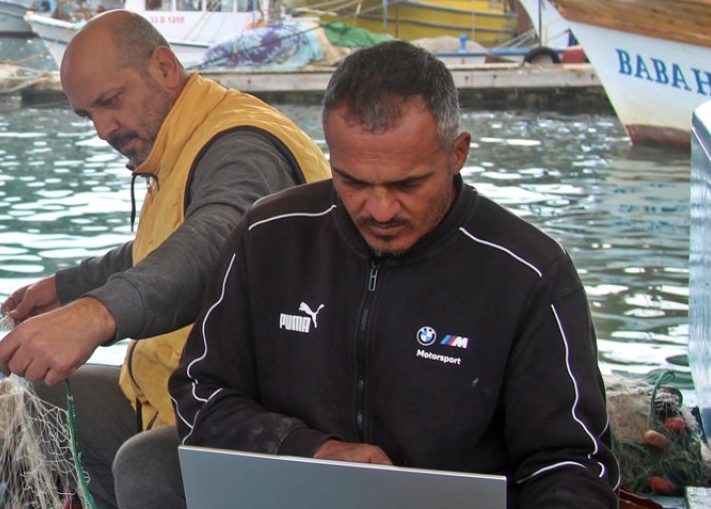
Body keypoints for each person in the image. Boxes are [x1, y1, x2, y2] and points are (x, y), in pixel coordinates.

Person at [156, 41, 619, 508]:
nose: (379, 210)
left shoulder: (531, 273)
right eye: (353, 181)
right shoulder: (267, 236)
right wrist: (310, 449)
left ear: (458, 154)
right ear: (330, 156)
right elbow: (201, 391)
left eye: (408, 184)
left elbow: (571, 465)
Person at [0, 10, 331, 509]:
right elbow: (162, 244)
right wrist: (67, 287)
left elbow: (218, 243)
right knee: (47, 399)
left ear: (165, 67)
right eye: (88, 116)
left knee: (145, 465)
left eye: (111, 102)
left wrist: (95, 315)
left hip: (252, 416)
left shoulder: (240, 146)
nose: (104, 130)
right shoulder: (178, 140)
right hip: (167, 394)